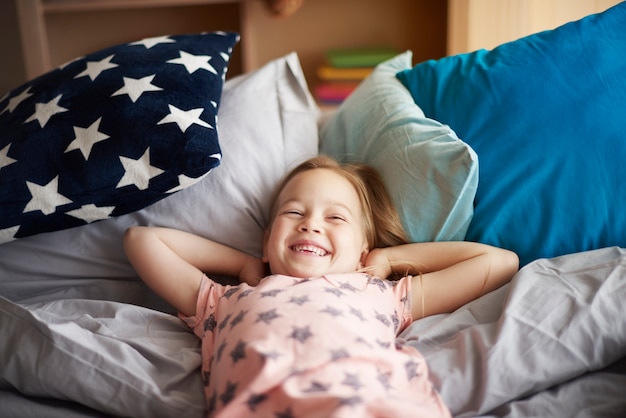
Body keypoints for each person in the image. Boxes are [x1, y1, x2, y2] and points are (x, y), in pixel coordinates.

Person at [124, 155, 519, 417]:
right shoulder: (223, 302)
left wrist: (389, 259)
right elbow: (142, 242)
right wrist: (244, 263)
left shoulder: (382, 294)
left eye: (336, 218)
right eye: (294, 211)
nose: (311, 223)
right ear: (266, 239)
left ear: (363, 246)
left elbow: (499, 263)